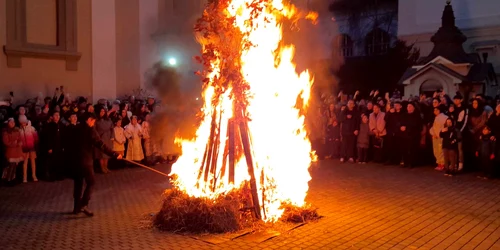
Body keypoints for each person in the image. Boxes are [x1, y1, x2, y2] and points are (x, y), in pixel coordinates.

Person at [72, 113, 122, 216]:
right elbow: (100, 144)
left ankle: (76, 208)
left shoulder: (76, 128)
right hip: (85, 161)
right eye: (93, 121)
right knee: (91, 182)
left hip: (75, 161)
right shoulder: (90, 130)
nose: (94, 123)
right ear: (89, 120)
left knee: (78, 184)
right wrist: (114, 154)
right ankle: (83, 204)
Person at [2, 118, 23, 185]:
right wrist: (15, 143)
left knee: (14, 166)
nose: (12, 124)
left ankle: (12, 178)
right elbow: (6, 142)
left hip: (17, 150)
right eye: (11, 122)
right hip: (11, 151)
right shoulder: (6, 132)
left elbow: (20, 138)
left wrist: (19, 142)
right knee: (10, 166)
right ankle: (8, 179)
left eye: (13, 122)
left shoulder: (16, 130)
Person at [400, 103, 422, 168]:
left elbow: (418, 126)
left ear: (413, 108)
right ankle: (405, 162)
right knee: (404, 149)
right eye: (407, 106)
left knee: (412, 150)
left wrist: (407, 128)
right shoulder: (404, 115)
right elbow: (400, 123)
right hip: (404, 135)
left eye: (410, 106)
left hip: (413, 136)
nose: (408, 107)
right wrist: (401, 127)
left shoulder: (417, 116)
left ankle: (412, 163)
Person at [19, 115, 38, 183]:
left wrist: (35, 145)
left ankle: (34, 175)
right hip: (24, 148)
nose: (23, 123)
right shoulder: (19, 130)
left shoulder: (31, 128)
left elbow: (36, 137)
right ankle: (25, 177)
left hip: (31, 147)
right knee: (25, 162)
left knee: (33, 162)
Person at [94, 106, 114, 173]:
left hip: (108, 138)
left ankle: (106, 167)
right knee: (101, 155)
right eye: (101, 111)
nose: (102, 113)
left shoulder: (108, 120)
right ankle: (102, 168)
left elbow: (112, 129)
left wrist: (112, 136)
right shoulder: (96, 120)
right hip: (101, 138)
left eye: (103, 111)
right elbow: (94, 130)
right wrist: (97, 137)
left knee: (107, 154)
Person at [453, 94, 468, 171]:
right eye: (455, 99)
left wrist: (461, 131)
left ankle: (461, 163)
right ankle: (454, 163)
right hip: (453, 130)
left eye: (457, 99)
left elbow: (464, 122)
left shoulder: (464, 109)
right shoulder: (453, 108)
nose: (456, 101)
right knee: (454, 148)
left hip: (460, 130)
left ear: (461, 100)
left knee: (460, 148)